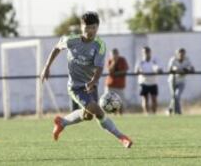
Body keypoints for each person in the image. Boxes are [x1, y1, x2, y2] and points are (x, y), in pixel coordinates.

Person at [40, 11, 133, 148]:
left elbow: (100, 67)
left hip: (91, 84)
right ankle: (122, 138)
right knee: (98, 111)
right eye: (87, 28)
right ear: (81, 27)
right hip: (75, 87)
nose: (90, 31)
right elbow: (56, 48)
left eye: (93, 28)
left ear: (97, 28)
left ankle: (62, 122)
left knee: (88, 116)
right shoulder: (71, 40)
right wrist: (47, 67)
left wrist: (94, 81)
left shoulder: (99, 45)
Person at [135, 46, 162, 115]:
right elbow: (136, 70)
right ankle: (146, 113)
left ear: (150, 52)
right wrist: (139, 71)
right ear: (142, 53)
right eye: (144, 52)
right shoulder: (140, 61)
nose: (146, 53)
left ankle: (154, 113)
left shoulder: (154, 60)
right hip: (143, 82)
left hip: (153, 82)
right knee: (145, 99)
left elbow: (158, 68)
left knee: (154, 99)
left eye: (147, 52)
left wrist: (158, 70)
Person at [167, 48, 194, 115]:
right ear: (177, 54)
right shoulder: (173, 59)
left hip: (182, 81)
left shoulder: (187, 60)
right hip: (173, 80)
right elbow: (169, 69)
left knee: (177, 95)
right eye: (180, 53)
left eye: (183, 53)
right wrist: (176, 70)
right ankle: (174, 110)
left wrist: (187, 70)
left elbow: (192, 68)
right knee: (174, 96)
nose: (181, 55)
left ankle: (176, 111)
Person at [104, 48, 129, 114]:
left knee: (121, 102)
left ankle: (121, 114)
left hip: (120, 85)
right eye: (113, 54)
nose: (115, 56)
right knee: (110, 102)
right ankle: (113, 115)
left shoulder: (122, 60)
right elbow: (110, 71)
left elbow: (124, 71)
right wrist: (114, 62)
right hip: (110, 85)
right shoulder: (110, 61)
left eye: (116, 54)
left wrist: (116, 73)